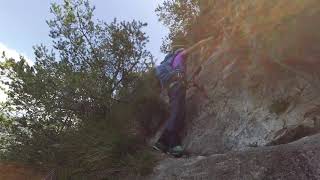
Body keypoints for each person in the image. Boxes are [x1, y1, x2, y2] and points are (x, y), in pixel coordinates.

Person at [153, 36, 214, 157]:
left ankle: (161, 143)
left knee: (179, 113)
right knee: (177, 114)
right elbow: (194, 48)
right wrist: (207, 40)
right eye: (182, 50)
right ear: (179, 51)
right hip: (177, 87)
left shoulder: (170, 63)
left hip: (172, 88)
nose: (185, 53)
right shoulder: (179, 56)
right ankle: (173, 144)